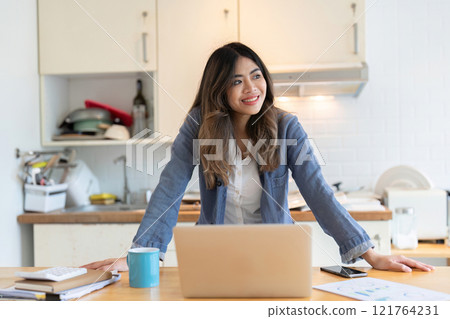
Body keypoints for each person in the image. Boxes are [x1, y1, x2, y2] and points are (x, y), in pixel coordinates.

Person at [83, 42, 433, 273]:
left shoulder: (286, 126)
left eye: (256, 75)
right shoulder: (198, 126)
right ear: (219, 89)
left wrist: (370, 254)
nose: (252, 88)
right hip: (214, 255)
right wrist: (140, 254)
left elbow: (318, 192)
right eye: (237, 81)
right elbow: (170, 188)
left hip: (273, 254)